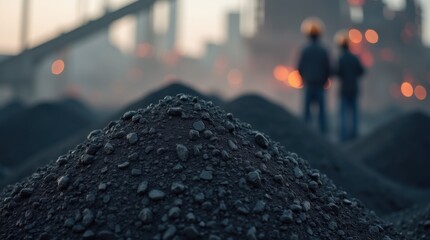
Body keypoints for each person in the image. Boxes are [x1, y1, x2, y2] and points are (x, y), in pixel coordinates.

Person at [297, 17, 331, 134]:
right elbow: (328, 68)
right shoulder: (324, 50)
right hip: (320, 86)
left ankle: (305, 134)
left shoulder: (305, 50)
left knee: (306, 114)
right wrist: (325, 80)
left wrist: (304, 78)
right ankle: (323, 136)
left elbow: (299, 67)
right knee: (322, 114)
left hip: (308, 85)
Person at [334, 30, 365, 142]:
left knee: (343, 114)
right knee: (354, 113)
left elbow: (336, 73)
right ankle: (354, 135)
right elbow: (362, 71)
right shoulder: (355, 58)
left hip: (344, 90)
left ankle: (343, 136)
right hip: (354, 89)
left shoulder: (341, 59)